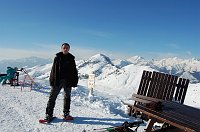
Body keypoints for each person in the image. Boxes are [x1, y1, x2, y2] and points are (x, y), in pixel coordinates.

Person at [44, 43, 78, 122]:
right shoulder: (57, 57)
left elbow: (74, 71)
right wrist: (52, 80)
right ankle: (48, 114)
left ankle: (66, 113)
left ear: (69, 49)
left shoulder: (71, 58)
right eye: (64, 48)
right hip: (58, 81)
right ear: (61, 48)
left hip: (68, 81)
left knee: (67, 97)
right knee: (52, 97)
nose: (65, 49)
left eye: (67, 48)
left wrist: (75, 81)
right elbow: (53, 69)